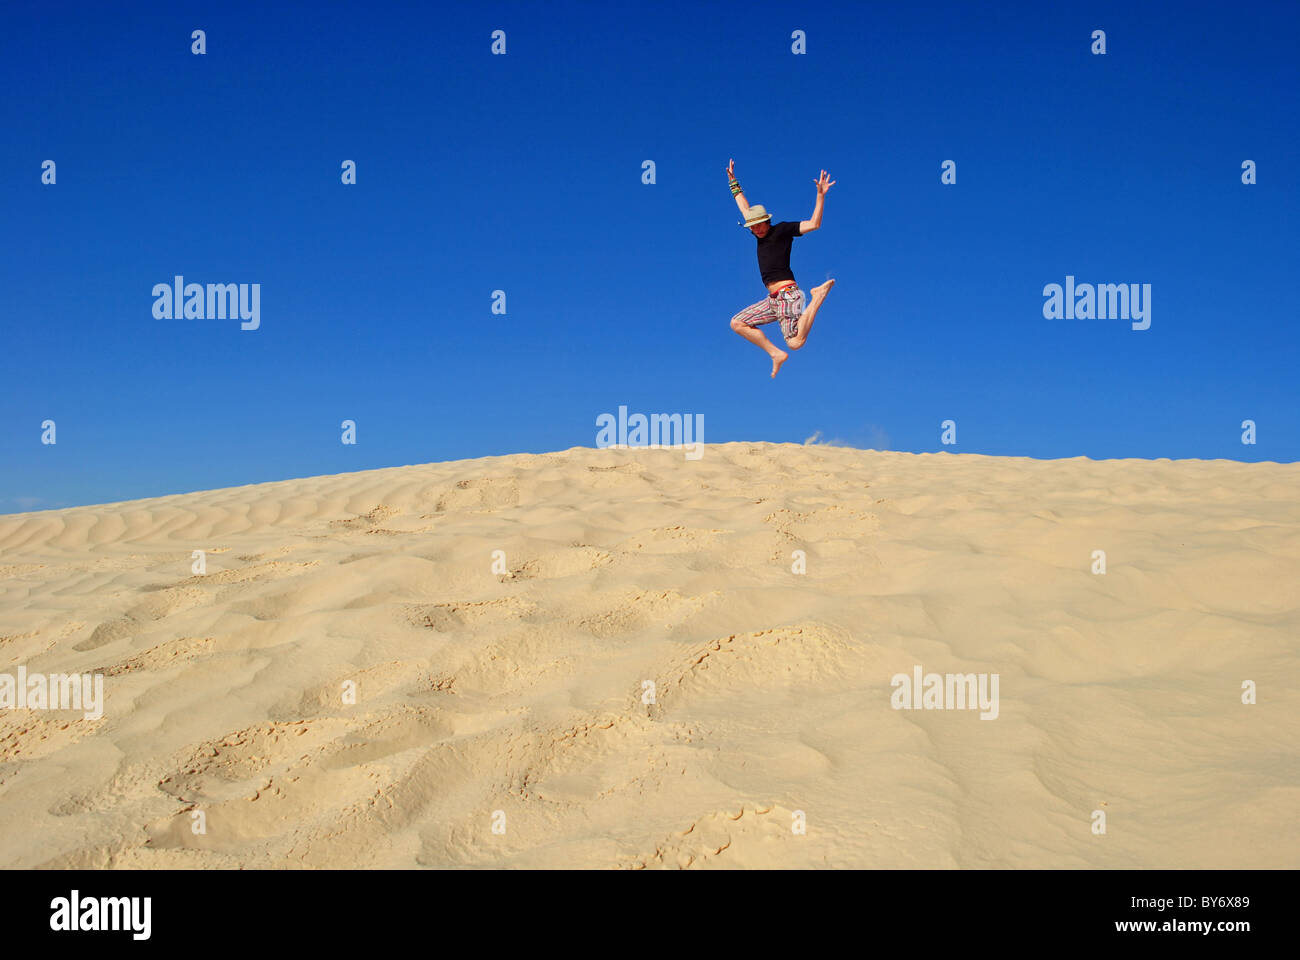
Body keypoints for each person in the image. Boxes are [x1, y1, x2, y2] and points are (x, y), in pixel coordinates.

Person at [726, 159, 836, 378]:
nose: (756, 229)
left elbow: (814, 224)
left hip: (787, 295)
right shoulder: (757, 235)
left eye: (758, 224)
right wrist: (733, 183)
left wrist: (821, 196)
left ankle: (816, 297)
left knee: (795, 343)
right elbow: (744, 207)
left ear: (767, 221)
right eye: (752, 227)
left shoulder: (782, 230)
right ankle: (775, 354)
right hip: (773, 301)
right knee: (737, 323)